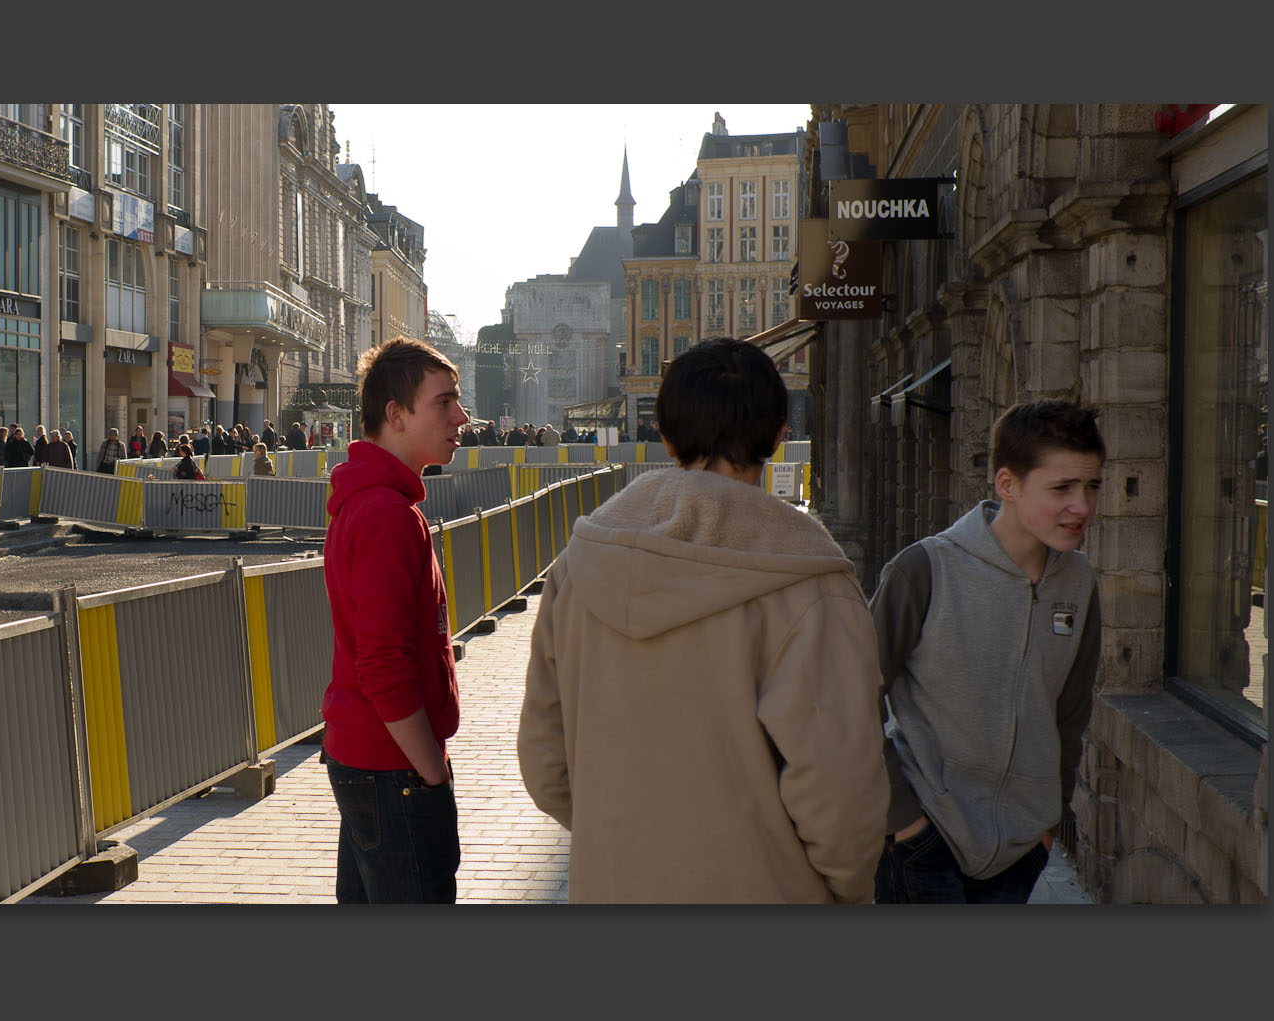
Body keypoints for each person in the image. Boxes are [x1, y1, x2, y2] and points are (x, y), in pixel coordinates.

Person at [518, 337, 888, 903]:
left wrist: (628, 844)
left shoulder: (577, 570)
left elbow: (546, 760)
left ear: (665, 437)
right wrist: (846, 887)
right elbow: (839, 786)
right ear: (779, 433)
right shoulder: (811, 585)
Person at [871, 399, 1105, 904]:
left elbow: (1070, 710)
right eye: (1062, 487)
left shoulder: (1080, 582)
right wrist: (900, 816)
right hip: (924, 841)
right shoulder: (925, 570)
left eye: (1091, 486)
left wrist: (1049, 816)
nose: (1082, 506)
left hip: (1021, 847)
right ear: (1007, 485)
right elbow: (851, 696)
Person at [321, 337, 472, 903]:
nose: (461, 416)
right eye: (444, 402)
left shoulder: (374, 501)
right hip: (394, 769)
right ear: (397, 414)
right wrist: (432, 772)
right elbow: (383, 662)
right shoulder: (386, 513)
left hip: (370, 759)